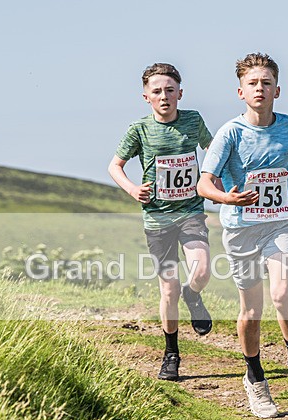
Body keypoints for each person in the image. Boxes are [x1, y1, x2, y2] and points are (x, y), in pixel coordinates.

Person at [197, 52, 288, 418]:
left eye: (266, 83)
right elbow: (205, 183)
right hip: (240, 230)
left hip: (280, 223)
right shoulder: (230, 132)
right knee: (251, 310)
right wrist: (226, 197)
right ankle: (255, 379)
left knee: (282, 292)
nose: (260, 89)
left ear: (277, 90)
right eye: (253, 83)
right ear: (240, 92)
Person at [108, 62, 214, 382]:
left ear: (180, 93)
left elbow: (212, 147)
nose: (164, 96)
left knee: (202, 269)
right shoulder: (139, 129)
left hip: (191, 211)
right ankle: (171, 354)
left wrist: (211, 174)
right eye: (157, 91)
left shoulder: (193, 120)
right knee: (168, 290)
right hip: (157, 218)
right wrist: (132, 188)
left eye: (170, 90)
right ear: (146, 97)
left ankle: (193, 296)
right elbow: (115, 165)